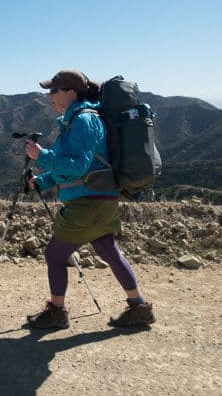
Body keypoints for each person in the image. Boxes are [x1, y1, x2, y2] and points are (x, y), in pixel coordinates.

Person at [24, 69, 155, 330]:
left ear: (70, 93)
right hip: (101, 199)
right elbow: (75, 167)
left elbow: (78, 167)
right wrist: (43, 180)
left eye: (53, 90)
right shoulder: (76, 120)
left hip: (88, 202)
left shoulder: (84, 120)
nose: (49, 96)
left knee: (55, 255)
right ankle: (139, 306)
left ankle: (57, 312)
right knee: (109, 251)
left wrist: (42, 156)